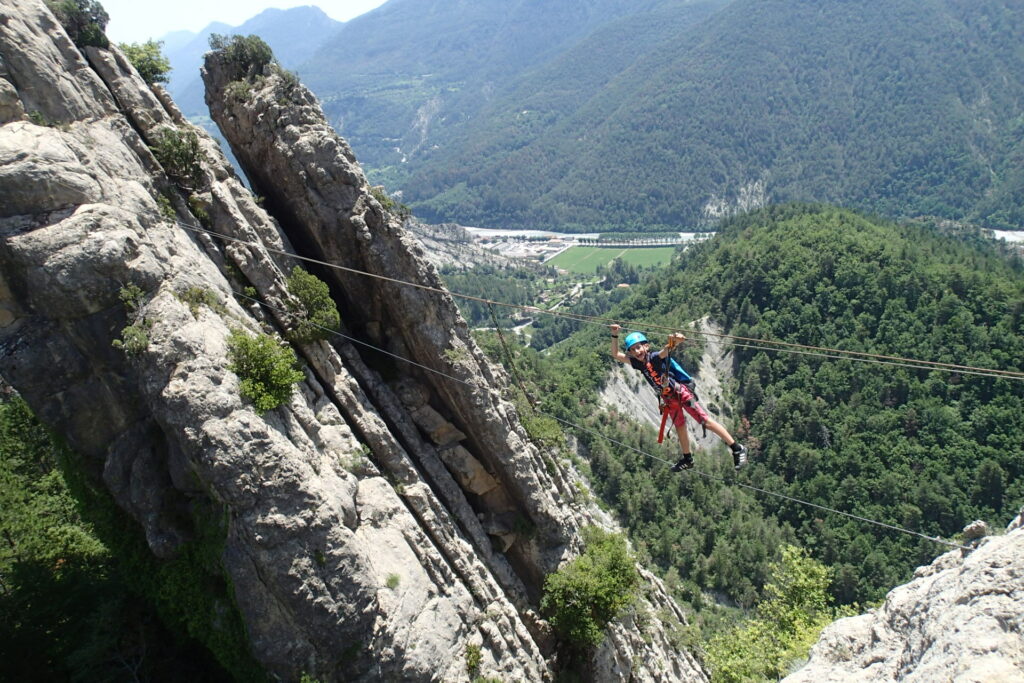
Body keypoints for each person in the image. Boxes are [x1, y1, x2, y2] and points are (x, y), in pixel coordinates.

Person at [610, 324, 748, 471]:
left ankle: (737, 448)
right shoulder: (638, 364)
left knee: (704, 421)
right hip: (669, 398)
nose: (637, 351)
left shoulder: (655, 357)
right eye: (633, 349)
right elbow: (615, 354)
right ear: (630, 353)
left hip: (680, 392)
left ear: (646, 346)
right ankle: (687, 458)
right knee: (680, 426)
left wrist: (675, 341)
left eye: (639, 347)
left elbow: (666, 350)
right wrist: (614, 335)